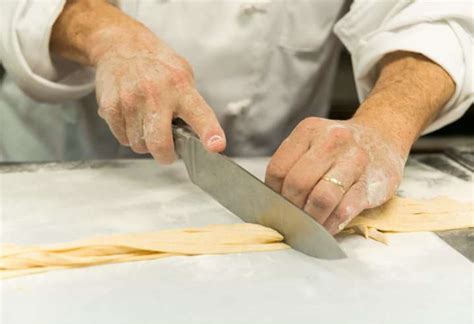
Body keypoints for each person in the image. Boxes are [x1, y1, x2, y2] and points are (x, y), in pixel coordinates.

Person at [1, 0, 472, 234]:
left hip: (285, 172)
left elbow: (428, 11)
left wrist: (385, 125)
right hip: (62, 167)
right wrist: (108, 37)